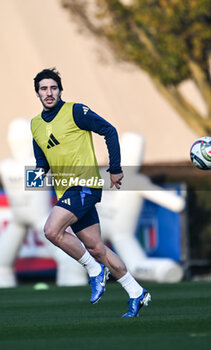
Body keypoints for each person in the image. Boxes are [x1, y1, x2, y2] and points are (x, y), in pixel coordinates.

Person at [31, 68, 151, 317]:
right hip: (66, 189)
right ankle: (136, 291)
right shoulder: (35, 125)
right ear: (38, 93)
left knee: (51, 230)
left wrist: (115, 168)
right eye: (44, 88)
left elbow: (109, 130)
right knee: (97, 248)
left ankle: (94, 270)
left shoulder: (75, 111)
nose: (49, 92)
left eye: (53, 87)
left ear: (60, 90)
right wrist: (33, 177)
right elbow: (42, 163)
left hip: (84, 184)